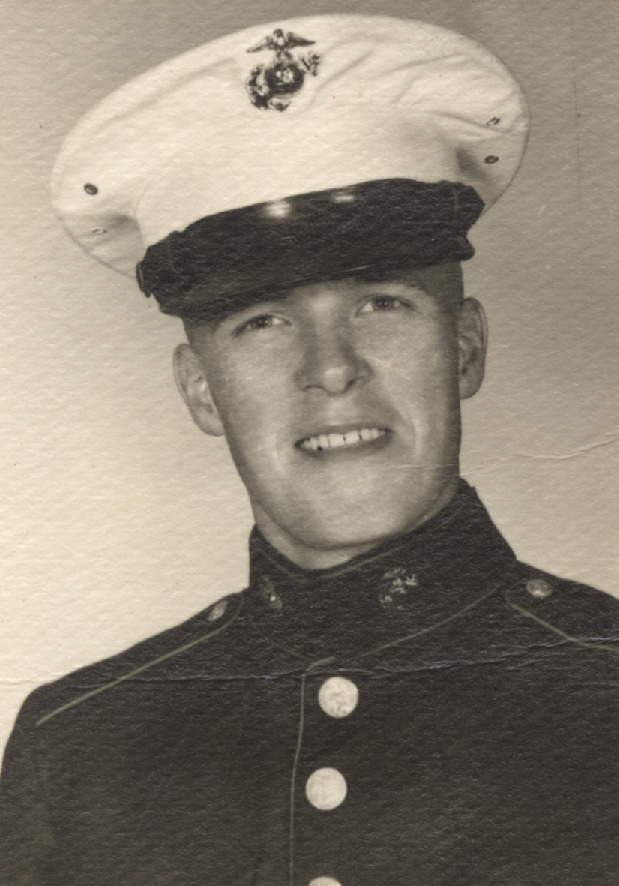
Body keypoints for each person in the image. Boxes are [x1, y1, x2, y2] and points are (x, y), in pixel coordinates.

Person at [0, 14, 617, 886]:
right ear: (201, 389)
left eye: (380, 304)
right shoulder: (75, 753)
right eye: (262, 322)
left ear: (465, 347)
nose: (330, 370)